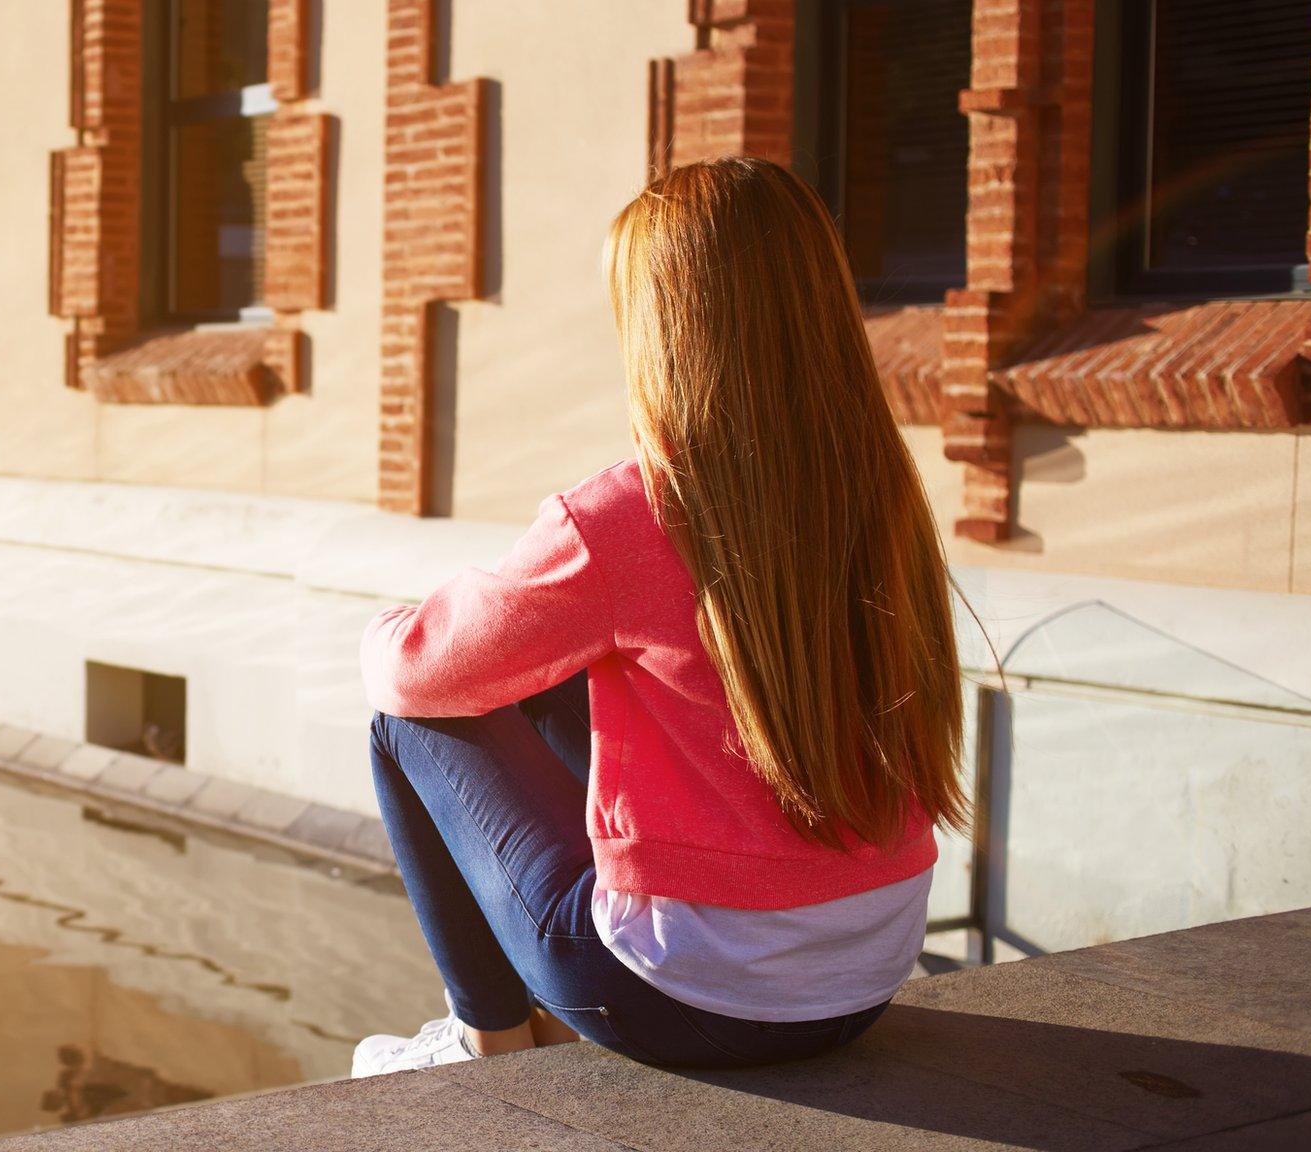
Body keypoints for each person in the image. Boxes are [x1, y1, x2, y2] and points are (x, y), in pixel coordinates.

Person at [353, 156, 970, 1076]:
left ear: (665, 329)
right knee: (571, 672)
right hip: (865, 981)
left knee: (406, 723)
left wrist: (385, 625)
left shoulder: (630, 514)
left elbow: (417, 669)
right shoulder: (882, 491)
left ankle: (484, 1041)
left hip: (676, 1001)